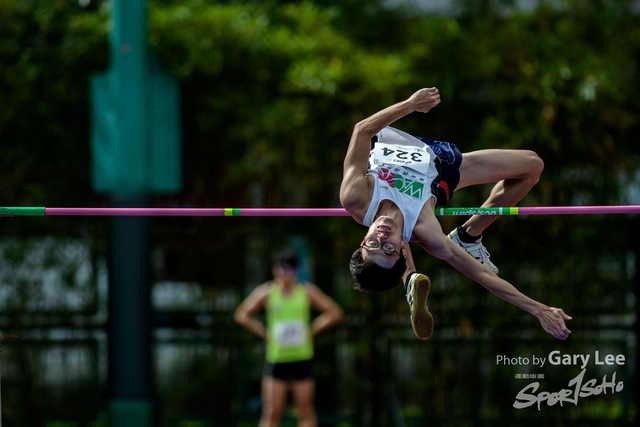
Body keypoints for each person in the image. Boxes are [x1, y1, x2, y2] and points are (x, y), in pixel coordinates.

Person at [339, 87, 572, 341]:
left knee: (532, 164)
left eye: (372, 243)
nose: (381, 237)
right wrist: (538, 309)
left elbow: (362, 130)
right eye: (387, 249)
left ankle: (451, 248)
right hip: (441, 169)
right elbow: (482, 275)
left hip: (396, 147)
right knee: (532, 167)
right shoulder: (427, 231)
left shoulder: (356, 197)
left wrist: (410, 104)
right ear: (402, 251)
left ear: (363, 240)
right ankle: (457, 244)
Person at [234, 252, 344, 427]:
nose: (287, 273)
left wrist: (311, 330)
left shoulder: (306, 291)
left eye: (291, 268)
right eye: (283, 268)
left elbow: (334, 312)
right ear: (275, 270)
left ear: (296, 271)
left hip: (301, 356)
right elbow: (242, 315)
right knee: (271, 411)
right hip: (277, 358)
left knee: (305, 409)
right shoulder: (267, 293)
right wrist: (264, 333)